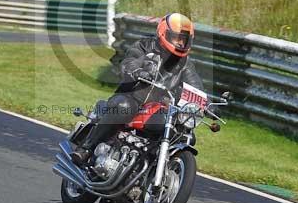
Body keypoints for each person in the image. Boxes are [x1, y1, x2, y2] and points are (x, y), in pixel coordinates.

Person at [70, 13, 203, 165]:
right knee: (124, 108)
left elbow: (195, 85)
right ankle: (86, 148)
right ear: (163, 32)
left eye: (183, 40)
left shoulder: (184, 63)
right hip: (132, 97)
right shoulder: (145, 45)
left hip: (159, 108)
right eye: (176, 38)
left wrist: (206, 104)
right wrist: (137, 71)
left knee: (183, 131)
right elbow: (129, 62)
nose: (180, 43)